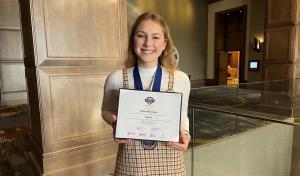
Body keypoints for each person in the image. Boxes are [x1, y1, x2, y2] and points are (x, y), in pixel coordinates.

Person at [102, 12, 191, 176]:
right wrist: (116, 124)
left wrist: (185, 133)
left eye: (156, 37)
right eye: (141, 36)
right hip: (132, 161)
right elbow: (106, 110)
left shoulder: (181, 79)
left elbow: (182, 115)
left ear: (165, 44)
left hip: (170, 159)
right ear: (133, 40)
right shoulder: (116, 78)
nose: (148, 43)